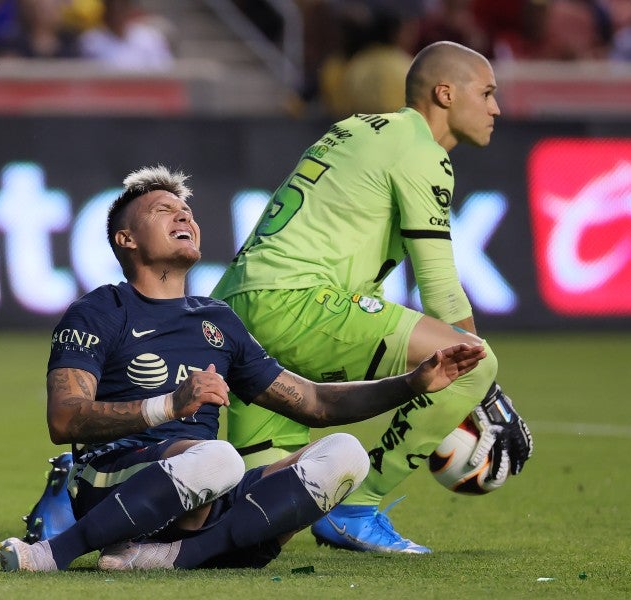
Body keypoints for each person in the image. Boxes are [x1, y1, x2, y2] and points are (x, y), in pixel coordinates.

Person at [0, 165, 487, 572]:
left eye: (186, 209)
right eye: (163, 210)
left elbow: (314, 403)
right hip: (113, 483)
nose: (183, 215)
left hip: (205, 494)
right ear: (127, 239)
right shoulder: (100, 310)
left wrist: (414, 382)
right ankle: (52, 553)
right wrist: (168, 406)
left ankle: (174, 558)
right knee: (220, 457)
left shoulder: (217, 320)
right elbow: (64, 419)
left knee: (344, 456)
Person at [211, 41, 533, 554]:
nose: (496, 108)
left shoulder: (357, 129)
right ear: (445, 93)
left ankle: (83, 491)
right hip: (295, 303)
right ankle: (359, 507)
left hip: (235, 311)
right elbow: (443, 294)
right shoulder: (421, 152)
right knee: (473, 362)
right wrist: (482, 390)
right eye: (488, 93)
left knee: (254, 519)